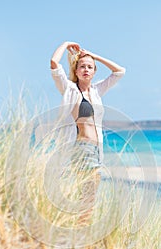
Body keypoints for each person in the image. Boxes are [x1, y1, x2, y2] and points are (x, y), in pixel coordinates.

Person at [50, 41, 126, 226]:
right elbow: (54, 63)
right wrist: (66, 43)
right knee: (88, 194)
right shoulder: (69, 89)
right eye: (82, 66)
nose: (86, 69)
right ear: (75, 71)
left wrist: (93, 54)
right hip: (82, 148)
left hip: (97, 149)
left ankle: (78, 228)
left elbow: (119, 71)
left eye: (90, 67)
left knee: (89, 195)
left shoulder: (96, 90)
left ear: (94, 72)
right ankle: (81, 230)